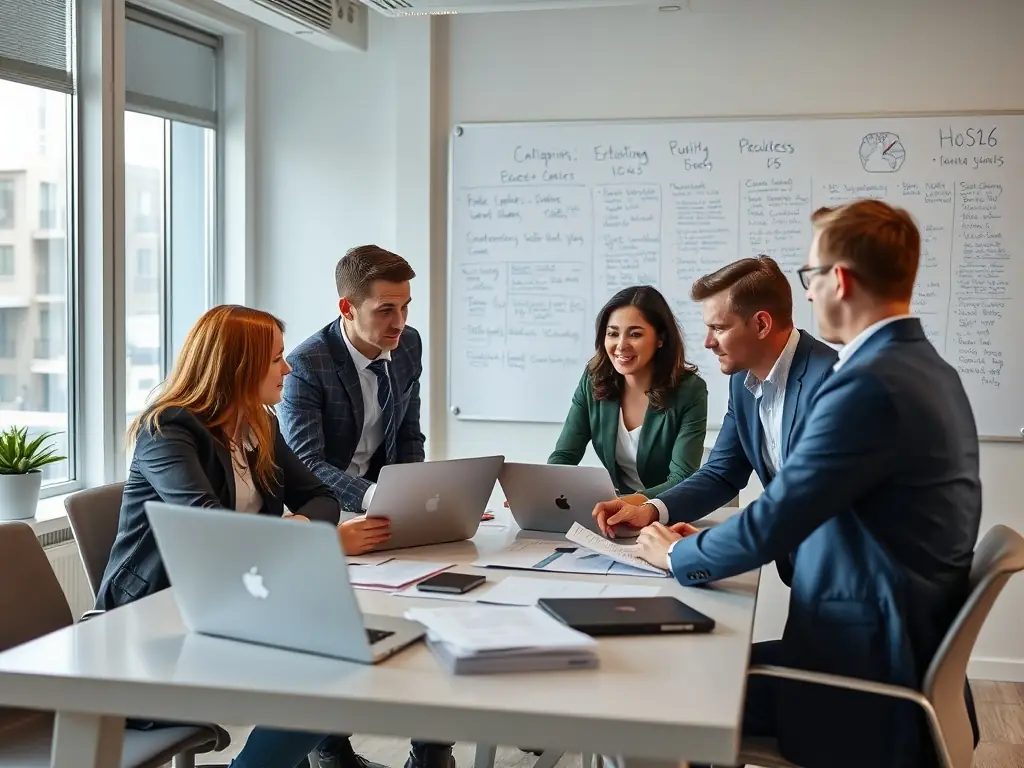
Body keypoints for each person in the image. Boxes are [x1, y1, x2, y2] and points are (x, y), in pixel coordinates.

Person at [626, 200, 983, 768]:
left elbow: (777, 517)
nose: (808, 295)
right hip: (881, 644)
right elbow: (754, 488)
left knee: (664, 686)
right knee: (694, 664)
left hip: (864, 679)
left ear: (838, 280)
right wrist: (667, 517)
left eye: (810, 276)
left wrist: (676, 556)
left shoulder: (867, 385)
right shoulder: (922, 369)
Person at [93, 304, 355, 768]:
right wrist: (296, 535)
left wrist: (294, 528)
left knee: (340, 658)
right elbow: (209, 527)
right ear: (238, 367)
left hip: (229, 603)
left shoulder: (261, 424)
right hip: (155, 624)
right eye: (276, 358)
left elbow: (322, 498)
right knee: (321, 673)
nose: (287, 369)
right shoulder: (168, 429)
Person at [277, 246, 452, 768]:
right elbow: (305, 462)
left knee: (436, 609)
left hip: (383, 506)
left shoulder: (407, 344)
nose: (400, 322)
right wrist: (376, 497)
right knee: (331, 621)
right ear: (347, 308)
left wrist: (416, 496)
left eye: (406, 307)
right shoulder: (306, 364)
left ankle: (433, 752)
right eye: (386, 310)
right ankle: (331, 751)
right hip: (326, 511)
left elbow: (409, 434)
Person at [591, 257, 836, 584]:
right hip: (807, 574)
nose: (707, 342)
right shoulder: (743, 381)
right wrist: (649, 510)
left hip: (845, 577)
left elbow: (799, 505)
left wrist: (680, 553)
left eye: (718, 328)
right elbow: (722, 473)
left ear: (761, 325)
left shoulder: (830, 382)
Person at [547, 285, 708, 500]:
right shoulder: (594, 379)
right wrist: (543, 490)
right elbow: (565, 456)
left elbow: (682, 478)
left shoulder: (690, 391)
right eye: (613, 334)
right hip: (616, 509)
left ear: (660, 338)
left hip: (667, 509)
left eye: (635, 334)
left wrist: (623, 504)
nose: (621, 345)